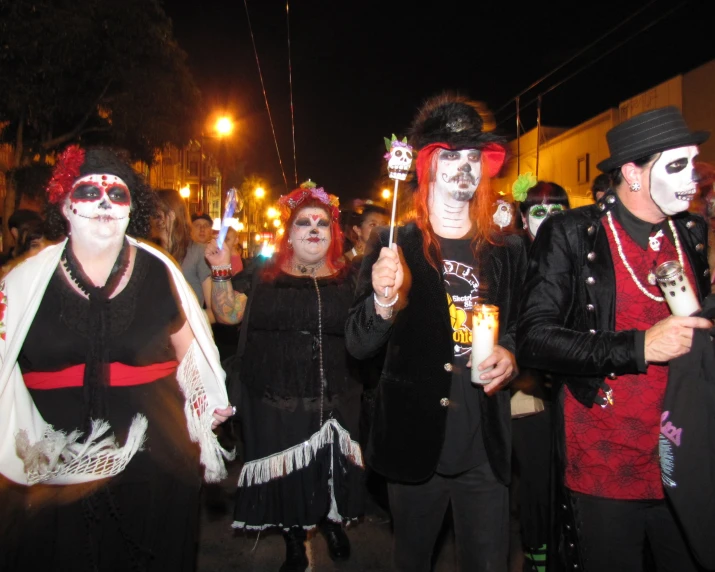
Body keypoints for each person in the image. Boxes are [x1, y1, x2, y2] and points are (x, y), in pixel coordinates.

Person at [0, 145, 234, 571]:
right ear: (66, 205)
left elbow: (192, 355)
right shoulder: (21, 282)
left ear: (132, 208)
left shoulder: (159, 270)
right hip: (53, 470)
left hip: (157, 468)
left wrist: (205, 407)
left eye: (118, 194)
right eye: (89, 192)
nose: (105, 203)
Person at [516, 106, 712, 572]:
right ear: (632, 173)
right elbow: (535, 339)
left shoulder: (692, 233)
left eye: (695, 162)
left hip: (683, 451)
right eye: (677, 164)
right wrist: (641, 346)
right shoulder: (572, 232)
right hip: (605, 456)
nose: (694, 179)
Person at [345, 92, 527, 572]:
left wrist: (510, 352)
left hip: (484, 445)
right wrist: (384, 300)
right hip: (415, 440)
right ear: (427, 165)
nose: (463, 166)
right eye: (450, 155)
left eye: (472, 156)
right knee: (412, 561)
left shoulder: (504, 250)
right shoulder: (396, 246)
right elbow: (358, 344)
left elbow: (525, 325)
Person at [205, 180, 364, 572]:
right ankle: (294, 535)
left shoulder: (351, 278)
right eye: (304, 222)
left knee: (328, 465)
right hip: (278, 395)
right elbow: (227, 314)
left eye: (322, 223)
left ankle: (330, 521)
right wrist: (221, 268)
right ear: (289, 234)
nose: (313, 229)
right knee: (291, 470)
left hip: (337, 394)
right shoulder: (265, 275)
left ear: (333, 233)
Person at [511, 180, 570, 572]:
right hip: (525, 390)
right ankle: (538, 556)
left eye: (556, 212)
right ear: (521, 217)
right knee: (535, 479)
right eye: (538, 211)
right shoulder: (511, 258)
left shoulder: (582, 256)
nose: (548, 220)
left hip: (574, 389)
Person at [153, 189, 214, 323]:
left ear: (171, 215)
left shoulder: (198, 252)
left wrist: (184, 326)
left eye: (156, 213)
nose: (151, 217)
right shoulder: (149, 252)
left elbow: (214, 312)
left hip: (187, 338)